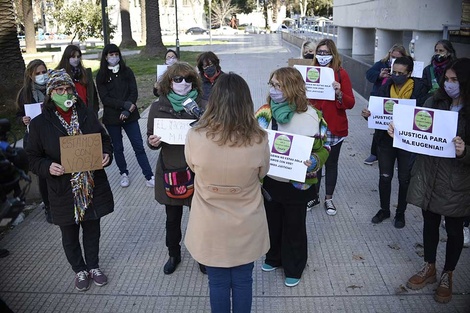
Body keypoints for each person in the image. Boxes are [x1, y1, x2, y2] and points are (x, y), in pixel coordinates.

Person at [184, 73, 270, 313]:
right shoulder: (259, 138)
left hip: (209, 223)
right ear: (246, 102)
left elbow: (192, 166)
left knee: (217, 282)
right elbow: (263, 171)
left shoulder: (195, 136)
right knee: (243, 280)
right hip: (246, 220)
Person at [388, 58, 470, 303]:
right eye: (447, 79)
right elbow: (416, 130)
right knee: (429, 222)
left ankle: (448, 273)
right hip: (429, 175)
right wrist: (399, 132)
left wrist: (465, 150)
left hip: (457, 181)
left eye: (455, 80)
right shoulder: (434, 101)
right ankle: (430, 266)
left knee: (454, 230)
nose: (449, 84)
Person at [26, 69, 114, 292]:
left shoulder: (87, 115)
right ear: (50, 93)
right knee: (69, 233)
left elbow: (104, 139)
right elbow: (32, 158)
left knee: (92, 228)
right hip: (62, 189)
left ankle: (93, 266)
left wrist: (106, 154)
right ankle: (79, 269)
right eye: (58, 89)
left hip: (91, 185)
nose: (64, 93)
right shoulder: (39, 124)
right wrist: (47, 167)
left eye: (67, 89)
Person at [255, 67, 329, 287]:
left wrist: (315, 161)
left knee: (295, 226)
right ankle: (273, 257)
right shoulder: (264, 112)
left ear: (293, 87)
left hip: (299, 184)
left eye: (279, 85)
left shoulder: (312, 115)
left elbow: (324, 148)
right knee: (272, 222)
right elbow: (252, 140)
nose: (274, 89)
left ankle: (294, 266)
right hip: (270, 181)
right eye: (272, 84)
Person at [147, 62, 207, 275]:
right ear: (169, 82)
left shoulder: (203, 105)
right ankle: (174, 253)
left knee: (200, 218)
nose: (183, 83)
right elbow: (151, 138)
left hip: (198, 171)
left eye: (188, 79)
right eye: (178, 79)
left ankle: (201, 255)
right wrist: (152, 142)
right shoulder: (157, 107)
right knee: (172, 219)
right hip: (170, 170)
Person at [362, 56, 427, 229]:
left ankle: (400, 213)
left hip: (407, 142)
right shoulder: (385, 87)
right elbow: (375, 109)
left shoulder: (420, 90)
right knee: (385, 176)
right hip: (385, 140)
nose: (396, 76)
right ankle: (384, 210)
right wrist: (368, 114)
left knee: (404, 179)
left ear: (410, 73)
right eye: (393, 72)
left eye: (400, 73)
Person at [96, 44, 154, 188]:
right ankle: (124, 173)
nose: (114, 57)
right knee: (118, 148)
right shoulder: (101, 75)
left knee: (138, 146)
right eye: (111, 55)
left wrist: (128, 110)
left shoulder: (127, 71)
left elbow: (133, 92)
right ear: (105, 57)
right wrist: (124, 105)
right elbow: (105, 98)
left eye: (116, 54)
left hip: (130, 115)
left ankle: (149, 175)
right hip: (112, 117)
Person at [309, 38, 355, 215]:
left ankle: (329, 199)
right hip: (314, 127)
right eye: (319, 52)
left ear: (333, 54)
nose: (322, 56)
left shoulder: (341, 74)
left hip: (334, 128)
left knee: (331, 164)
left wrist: (339, 93)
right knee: (315, 163)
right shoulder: (310, 73)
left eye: (326, 52)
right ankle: (314, 196)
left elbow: (350, 103)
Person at [15, 59, 52, 223]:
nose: (42, 76)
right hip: (35, 140)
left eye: (44, 72)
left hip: (53, 136)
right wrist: (22, 119)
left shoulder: (54, 88)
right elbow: (18, 115)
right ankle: (49, 208)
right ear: (30, 75)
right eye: (37, 73)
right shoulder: (25, 93)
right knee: (43, 175)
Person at [364, 44, 408, 165]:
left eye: (397, 57)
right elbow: (369, 74)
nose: (393, 59)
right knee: (379, 128)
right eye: (392, 56)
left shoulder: (407, 68)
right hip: (380, 99)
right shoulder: (382, 63)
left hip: (399, 101)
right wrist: (380, 75)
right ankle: (374, 153)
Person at [56, 44, 100, 116]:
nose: (76, 59)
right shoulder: (60, 75)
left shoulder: (85, 74)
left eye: (78, 56)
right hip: (70, 115)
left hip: (87, 114)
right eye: (73, 57)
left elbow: (93, 96)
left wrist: (94, 112)